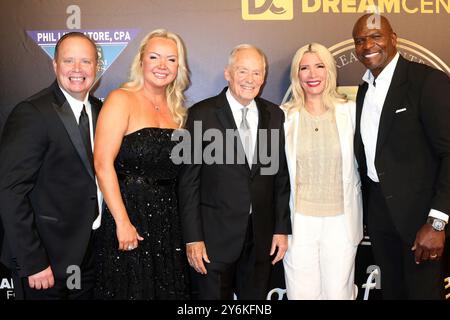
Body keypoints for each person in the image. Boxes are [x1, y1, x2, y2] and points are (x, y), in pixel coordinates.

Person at [178, 44, 291, 300]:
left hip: (260, 238)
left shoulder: (275, 115)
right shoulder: (199, 115)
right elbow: (188, 182)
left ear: (263, 78)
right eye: (242, 71)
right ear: (228, 73)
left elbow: (281, 178)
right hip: (213, 239)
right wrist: (193, 238)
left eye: (256, 73)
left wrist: (281, 229)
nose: (249, 80)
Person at [353, 14, 450, 299]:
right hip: (380, 215)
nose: (367, 45)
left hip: (422, 219)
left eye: (375, 37)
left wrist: (437, 222)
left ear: (393, 39)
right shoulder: (363, 89)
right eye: (360, 41)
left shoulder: (427, 81)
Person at [0, 32, 102, 299]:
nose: (77, 69)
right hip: (46, 260)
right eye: (69, 61)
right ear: (54, 65)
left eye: (86, 62)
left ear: (97, 68)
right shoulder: (32, 112)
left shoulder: (99, 110)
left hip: (89, 256)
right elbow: (11, 192)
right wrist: (33, 262)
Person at [93, 29, 191, 300]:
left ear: (178, 67)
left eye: (171, 60)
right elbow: (102, 164)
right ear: (141, 61)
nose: (162, 66)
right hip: (129, 214)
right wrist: (122, 222)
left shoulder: (178, 111)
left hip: (169, 220)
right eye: (155, 57)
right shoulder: (120, 99)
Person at [281, 43, 363, 300]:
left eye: (319, 66)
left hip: (341, 219)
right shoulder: (283, 117)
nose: (312, 74)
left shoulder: (350, 112)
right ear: (297, 74)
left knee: (339, 294)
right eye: (304, 68)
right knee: (300, 294)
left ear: (330, 71)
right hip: (299, 222)